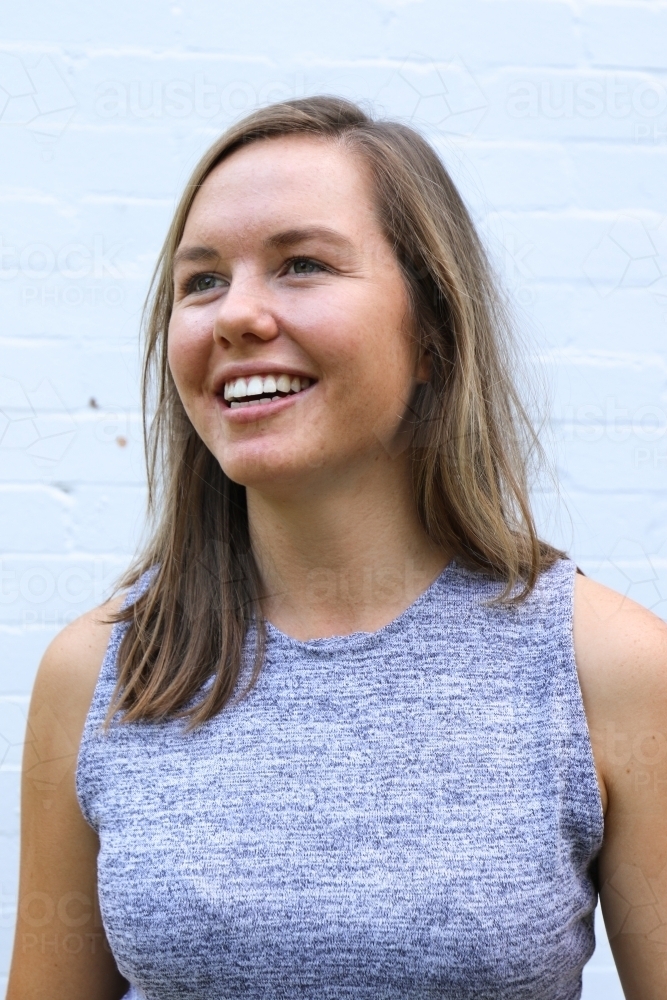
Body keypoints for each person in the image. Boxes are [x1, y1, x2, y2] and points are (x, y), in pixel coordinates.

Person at [7, 96, 667, 1000]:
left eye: (301, 265)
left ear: (431, 331)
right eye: (200, 282)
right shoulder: (99, 675)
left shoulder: (608, 667)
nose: (235, 314)